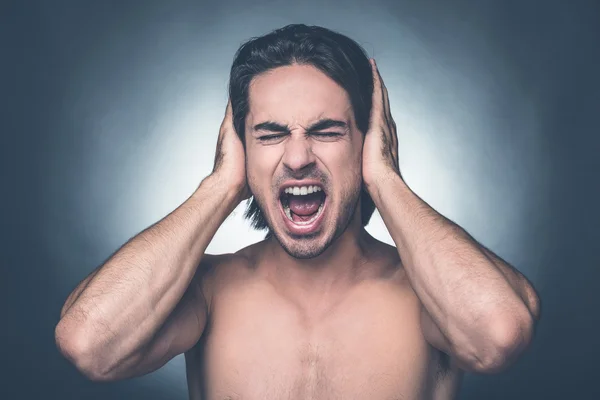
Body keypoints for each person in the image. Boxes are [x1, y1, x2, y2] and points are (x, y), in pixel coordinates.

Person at [55, 24, 541, 400]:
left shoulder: (428, 294)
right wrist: (220, 186)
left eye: (326, 131)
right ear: (241, 148)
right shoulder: (209, 292)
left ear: (368, 142)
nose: (297, 157)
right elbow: (90, 344)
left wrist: (386, 179)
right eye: (270, 134)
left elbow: (498, 334)